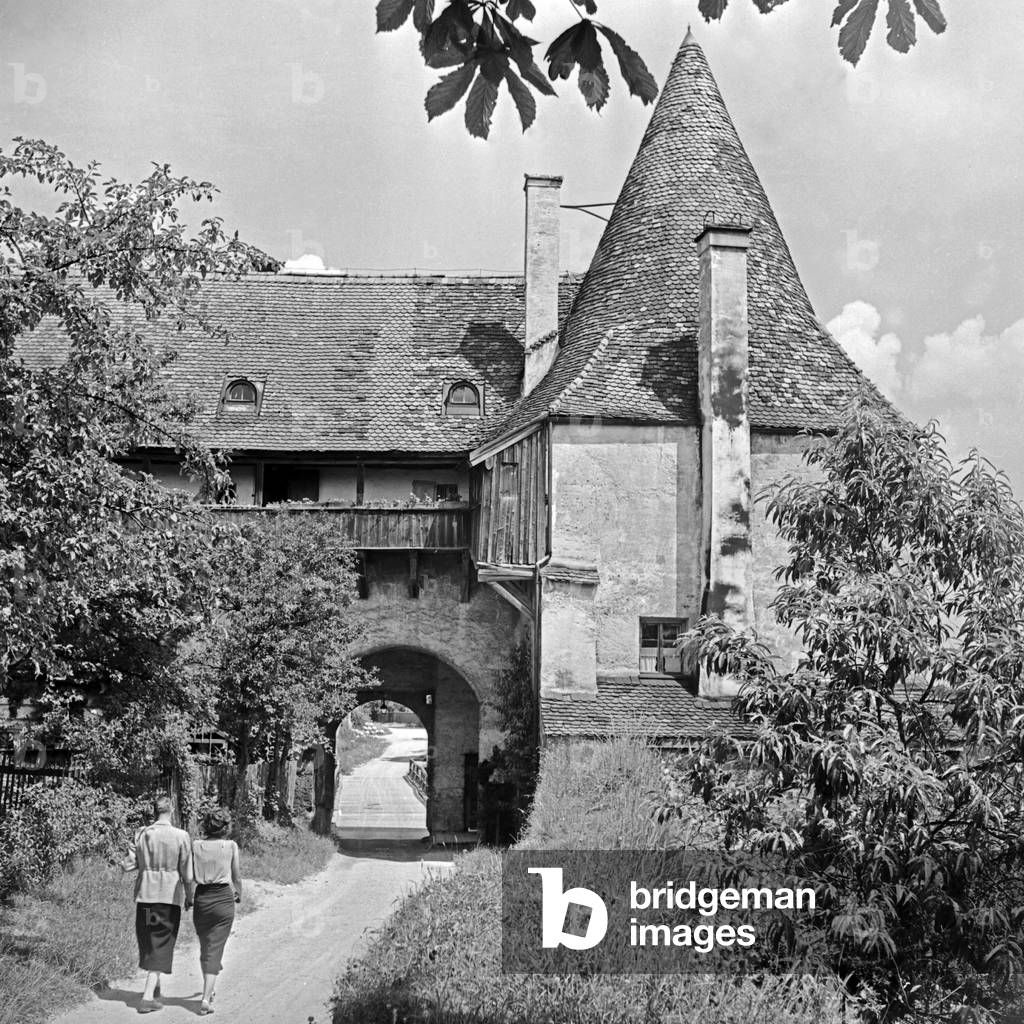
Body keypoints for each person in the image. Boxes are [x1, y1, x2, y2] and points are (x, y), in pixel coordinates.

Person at [121, 795, 193, 1014]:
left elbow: (128, 865)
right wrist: (189, 896)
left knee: (150, 938)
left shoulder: (142, 834)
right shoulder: (181, 836)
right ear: (171, 810)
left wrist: (144, 861)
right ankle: (146, 997)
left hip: (146, 896)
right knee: (162, 941)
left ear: (154, 811)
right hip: (168, 898)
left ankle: (155, 983)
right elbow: (187, 875)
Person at [188, 808, 243, 1016]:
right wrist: (240, 893)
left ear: (206, 826)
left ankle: (209, 991)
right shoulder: (230, 846)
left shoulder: (196, 846)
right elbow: (236, 877)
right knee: (216, 948)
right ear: (226, 827)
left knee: (206, 947)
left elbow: (190, 875)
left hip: (202, 898)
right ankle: (205, 997)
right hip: (223, 899)